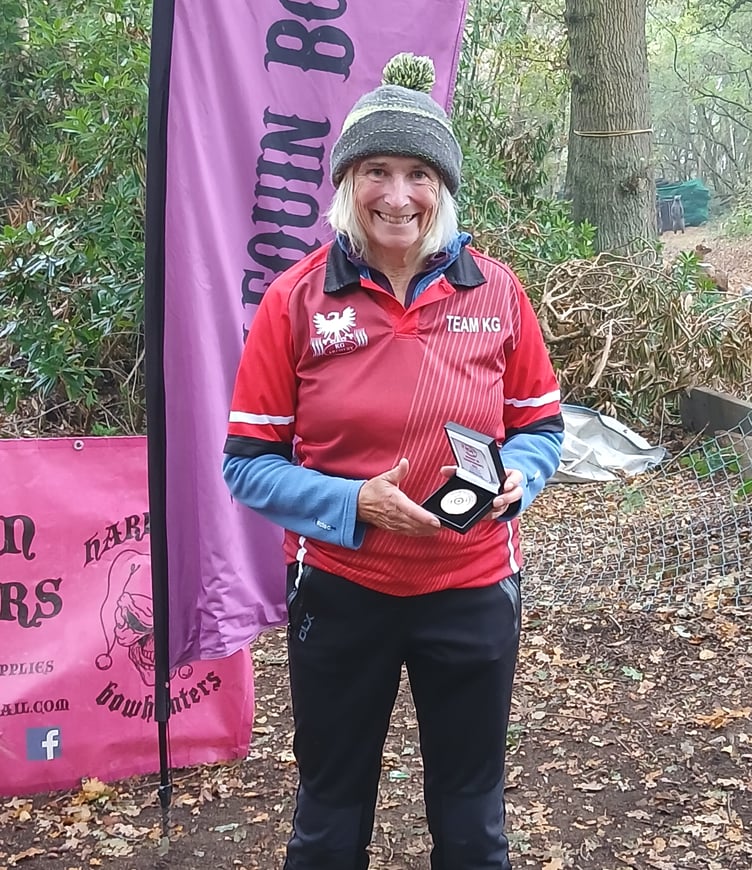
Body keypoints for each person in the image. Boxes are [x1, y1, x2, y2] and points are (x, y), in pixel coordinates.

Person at [223, 53, 564, 870]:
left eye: (418, 173)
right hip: (343, 591)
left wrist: (525, 475)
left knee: (473, 821)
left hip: (473, 587)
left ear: (443, 187)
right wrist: (351, 504)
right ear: (347, 182)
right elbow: (246, 464)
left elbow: (543, 429)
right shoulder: (296, 299)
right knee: (331, 816)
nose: (398, 195)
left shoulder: (498, 292)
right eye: (376, 170)